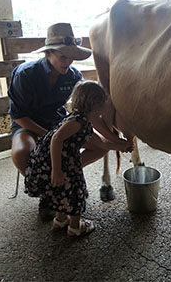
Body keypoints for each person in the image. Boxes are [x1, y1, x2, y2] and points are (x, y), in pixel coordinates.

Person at [8, 23, 131, 220]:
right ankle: (47, 193)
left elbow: (86, 114)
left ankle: (63, 178)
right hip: (28, 124)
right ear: (49, 53)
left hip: (58, 121)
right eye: (63, 56)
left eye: (71, 56)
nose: (68, 61)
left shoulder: (74, 76)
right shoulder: (26, 74)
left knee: (101, 147)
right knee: (23, 154)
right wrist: (47, 135)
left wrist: (114, 139)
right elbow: (18, 116)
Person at [23, 80, 120, 236]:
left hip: (61, 160)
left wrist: (123, 145)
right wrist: (57, 170)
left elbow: (101, 143)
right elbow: (56, 139)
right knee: (76, 191)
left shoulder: (81, 119)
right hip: (54, 162)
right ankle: (75, 227)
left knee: (62, 191)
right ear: (93, 104)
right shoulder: (76, 122)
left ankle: (60, 220)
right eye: (102, 104)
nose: (104, 108)